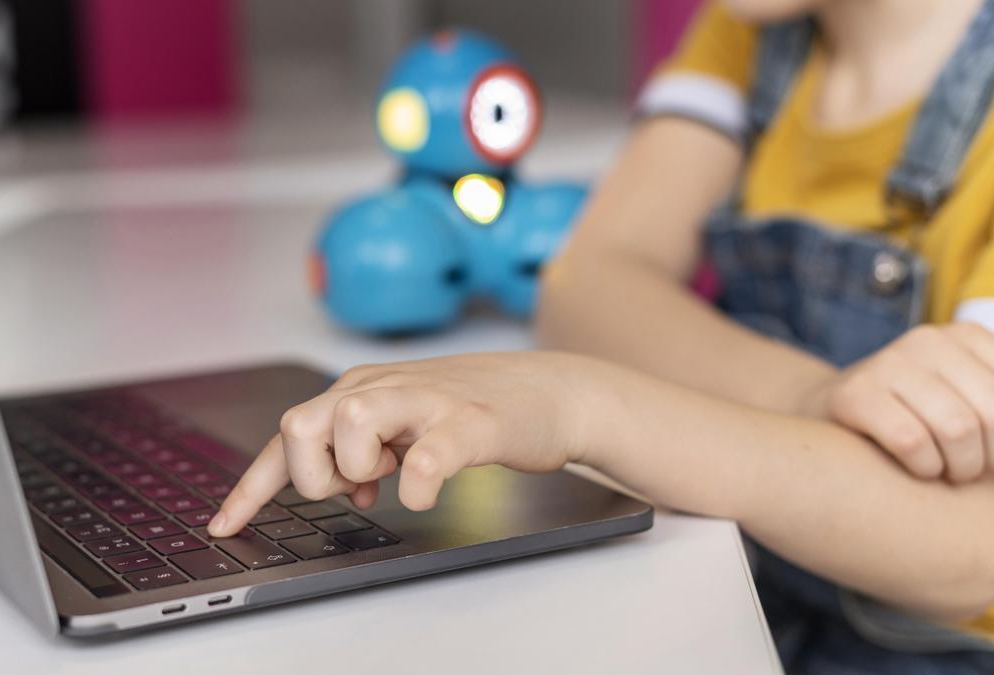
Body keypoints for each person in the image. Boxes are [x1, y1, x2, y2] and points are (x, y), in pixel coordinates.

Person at [210, 1, 994, 670]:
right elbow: (587, 283)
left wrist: (580, 402)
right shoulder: (754, 31)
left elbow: (966, 547)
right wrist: (817, 397)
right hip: (762, 588)